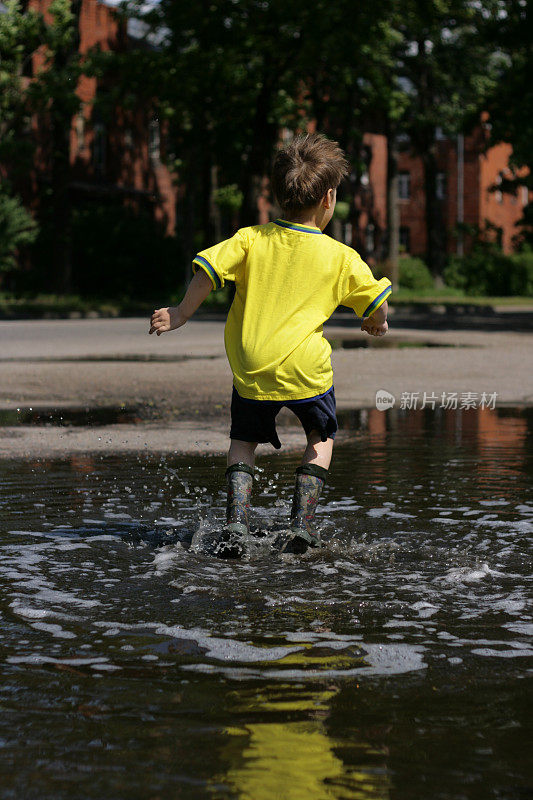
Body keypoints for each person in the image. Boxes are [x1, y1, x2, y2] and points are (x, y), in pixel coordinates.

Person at [150, 133, 391, 555]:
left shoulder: (250, 239)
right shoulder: (341, 256)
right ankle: (301, 525)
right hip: (305, 371)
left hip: (252, 368)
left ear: (278, 195)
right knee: (322, 434)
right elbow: (375, 300)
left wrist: (181, 314)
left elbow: (207, 270)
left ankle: (236, 525)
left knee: (244, 439)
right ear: (329, 198)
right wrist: (375, 323)